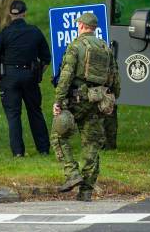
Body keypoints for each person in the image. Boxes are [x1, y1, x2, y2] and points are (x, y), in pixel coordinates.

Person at [51, 12, 120, 201]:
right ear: (94, 28)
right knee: (92, 146)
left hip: (76, 100)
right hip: (98, 102)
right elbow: (115, 79)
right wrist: (112, 99)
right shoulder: (106, 48)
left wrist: (58, 101)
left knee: (58, 136)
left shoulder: (75, 46)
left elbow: (66, 76)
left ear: (81, 26)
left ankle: (72, 173)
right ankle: (86, 191)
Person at [0, 0, 52, 157]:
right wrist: (39, 74)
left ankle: (18, 152)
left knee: (13, 115)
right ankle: (43, 149)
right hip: (30, 76)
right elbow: (46, 58)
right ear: (25, 13)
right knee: (35, 112)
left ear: (11, 14)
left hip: (9, 78)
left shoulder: (5, 33)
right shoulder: (34, 31)